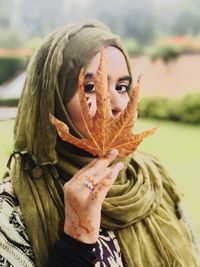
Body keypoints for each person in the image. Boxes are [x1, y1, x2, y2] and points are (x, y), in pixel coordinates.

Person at [0, 20, 199, 267]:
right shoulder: (11, 208)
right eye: (91, 87)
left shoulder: (153, 178)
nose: (114, 103)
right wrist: (76, 239)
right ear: (53, 100)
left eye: (122, 86)